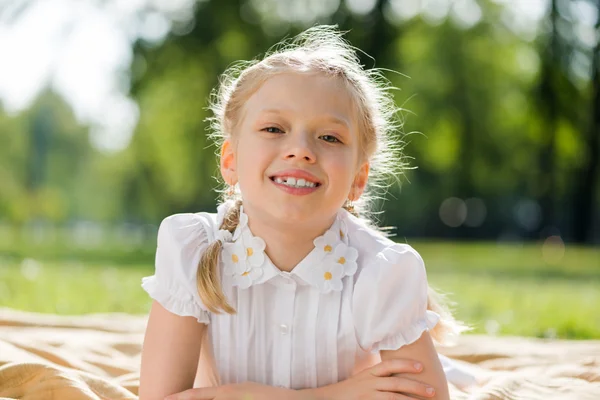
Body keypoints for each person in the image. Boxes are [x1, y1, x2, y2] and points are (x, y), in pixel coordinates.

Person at [139, 25, 472, 400]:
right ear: (230, 162)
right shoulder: (193, 250)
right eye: (273, 128)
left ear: (357, 179)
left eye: (329, 137)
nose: (300, 150)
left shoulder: (380, 272)